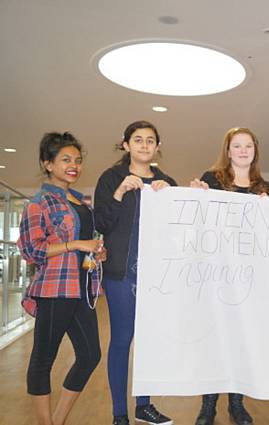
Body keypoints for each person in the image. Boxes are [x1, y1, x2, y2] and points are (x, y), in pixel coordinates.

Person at [18, 132, 105, 425]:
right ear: (48, 163)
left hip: (82, 289)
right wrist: (75, 245)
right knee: (43, 359)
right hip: (54, 289)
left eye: (78, 161)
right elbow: (32, 251)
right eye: (65, 160)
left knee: (90, 355)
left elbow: (86, 240)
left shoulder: (81, 202)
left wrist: (95, 252)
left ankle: (57, 420)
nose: (74, 166)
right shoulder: (38, 202)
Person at [94, 121, 176, 425]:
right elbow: (101, 223)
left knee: (149, 340)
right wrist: (118, 193)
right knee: (122, 339)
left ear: (157, 147)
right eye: (137, 140)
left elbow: (177, 230)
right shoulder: (111, 177)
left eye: (150, 140)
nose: (144, 145)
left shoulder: (166, 181)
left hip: (156, 276)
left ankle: (144, 406)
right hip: (121, 273)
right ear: (126, 145)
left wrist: (171, 198)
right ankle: (119, 414)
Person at [190, 127, 269, 425]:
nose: (242, 150)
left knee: (241, 339)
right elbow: (200, 221)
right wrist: (196, 197)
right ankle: (208, 406)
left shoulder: (263, 187)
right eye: (237, 146)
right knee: (214, 339)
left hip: (248, 277)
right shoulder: (212, 180)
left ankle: (237, 404)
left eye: (248, 145)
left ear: (255, 150)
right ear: (228, 150)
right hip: (217, 273)